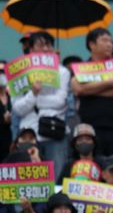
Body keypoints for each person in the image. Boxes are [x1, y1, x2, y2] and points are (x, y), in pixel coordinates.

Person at [11, 30, 71, 174]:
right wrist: (33, 93)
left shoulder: (62, 72)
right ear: (30, 49)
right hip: (28, 135)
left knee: (55, 176)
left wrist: (35, 100)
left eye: (49, 45)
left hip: (54, 133)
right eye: (40, 45)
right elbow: (18, 109)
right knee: (29, 177)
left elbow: (60, 101)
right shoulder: (18, 73)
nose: (45, 49)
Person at [71, 28, 113, 164]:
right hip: (91, 129)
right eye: (104, 40)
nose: (109, 44)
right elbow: (77, 89)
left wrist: (89, 88)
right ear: (92, 44)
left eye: (110, 41)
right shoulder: (83, 67)